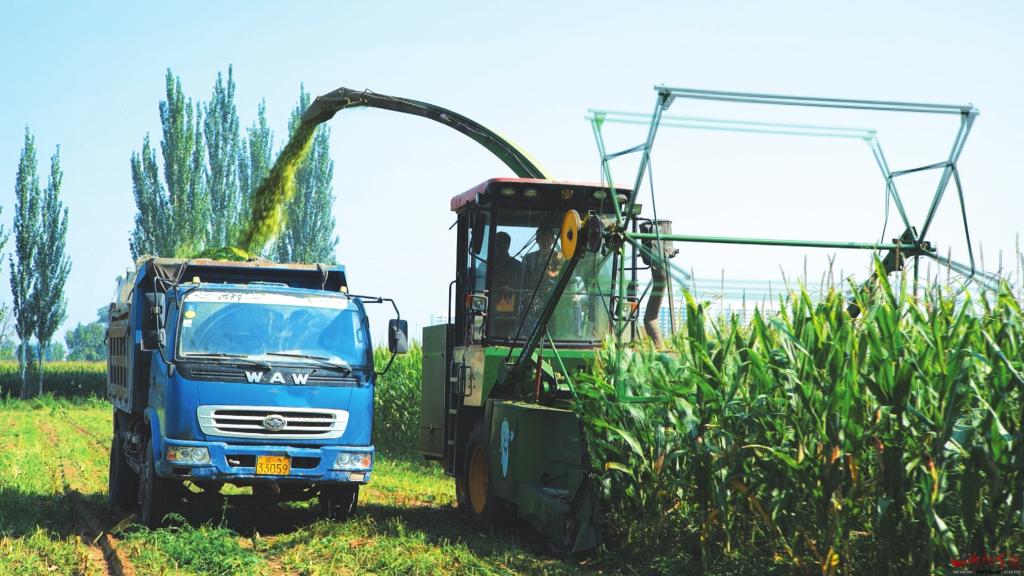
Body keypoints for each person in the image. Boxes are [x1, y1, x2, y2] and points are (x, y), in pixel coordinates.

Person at [488, 232, 524, 338]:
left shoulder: (518, 266)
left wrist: (510, 289)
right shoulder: (486, 265)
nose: (501, 247)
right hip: (489, 313)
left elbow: (522, 289)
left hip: (513, 313)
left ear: (508, 245)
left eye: (503, 244)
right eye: (498, 243)